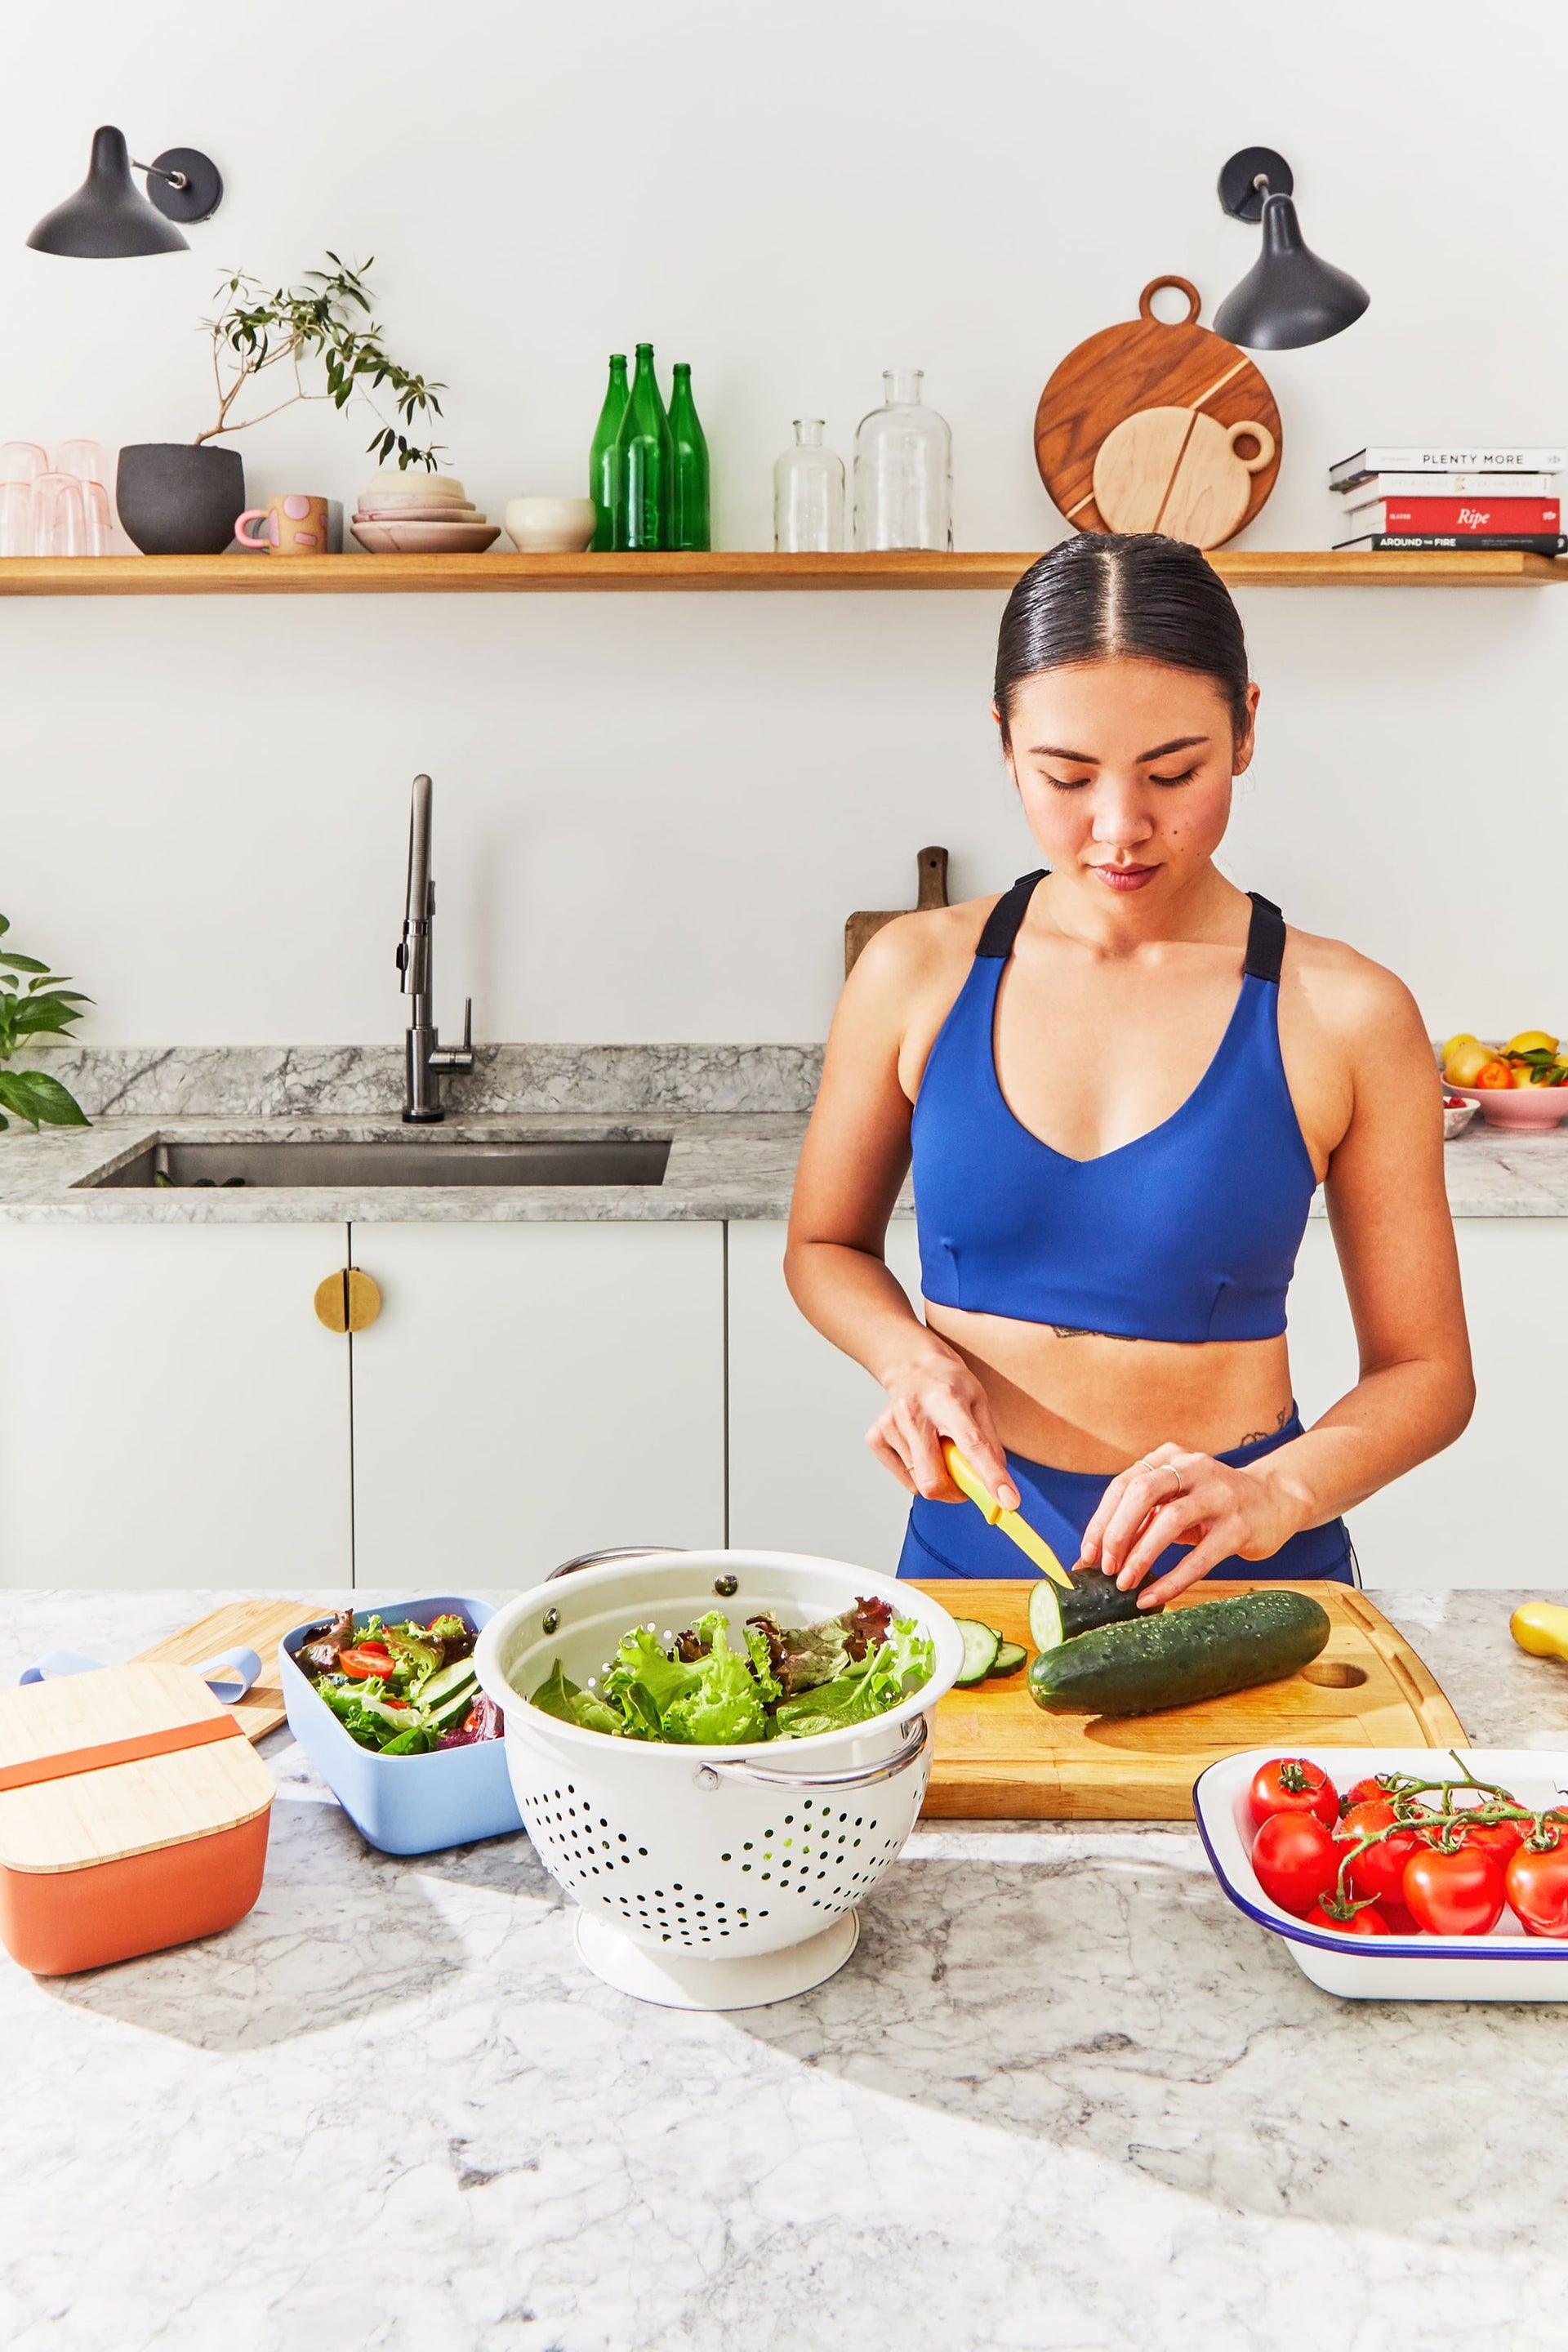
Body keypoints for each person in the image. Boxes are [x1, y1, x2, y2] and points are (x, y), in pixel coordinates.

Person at [785, 533, 1472, 1604]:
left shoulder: (1347, 1012)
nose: (1120, 828)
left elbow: (1429, 1378)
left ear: (1247, 728)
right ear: (1005, 743)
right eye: (1066, 775)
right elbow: (824, 1246)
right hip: (972, 1563)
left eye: (1173, 772)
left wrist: (1275, 1496)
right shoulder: (914, 971)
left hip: (1246, 1574)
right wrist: (909, 1360)